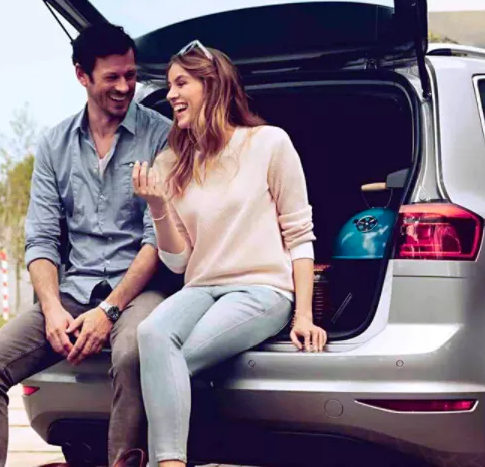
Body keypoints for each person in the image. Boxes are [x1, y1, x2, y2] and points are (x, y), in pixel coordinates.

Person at [132, 41, 327, 467]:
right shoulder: (170, 163)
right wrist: (158, 206)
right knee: (150, 335)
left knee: (171, 362)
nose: (170, 94)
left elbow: (300, 236)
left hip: (262, 289)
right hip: (201, 287)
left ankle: (167, 461)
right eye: (169, 85)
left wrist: (304, 315)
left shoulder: (269, 143)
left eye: (181, 83)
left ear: (212, 85)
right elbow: (179, 262)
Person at [2, 23, 173, 467]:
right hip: (74, 291)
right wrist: (51, 308)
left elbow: (157, 239)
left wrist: (109, 311)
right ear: (82, 75)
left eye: (130, 75)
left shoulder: (162, 135)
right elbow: (41, 238)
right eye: (112, 77)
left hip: (139, 289)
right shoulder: (54, 144)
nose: (125, 87)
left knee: (134, 353)